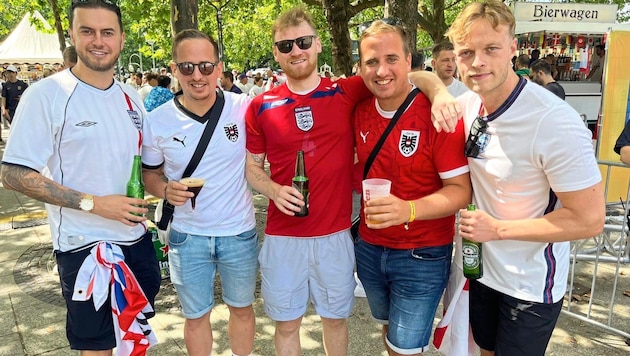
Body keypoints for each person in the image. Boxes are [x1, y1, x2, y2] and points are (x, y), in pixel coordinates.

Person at [245, 6, 460, 355]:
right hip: (283, 236)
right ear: (275, 52)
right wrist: (272, 189)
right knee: (286, 325)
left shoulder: (345, 92)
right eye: (286, 46)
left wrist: (440, 91)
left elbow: (406, 75)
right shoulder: (261, 106)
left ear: (317, 45)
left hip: (335, 235)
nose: (295, 51)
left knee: (334, 321)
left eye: (303, 41)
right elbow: (252, 167)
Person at [433, 1, 605, 355]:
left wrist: (497, 230)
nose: (478, 62)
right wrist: (435, 92)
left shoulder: (554, 120)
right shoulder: (467, 104)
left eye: (490, 49)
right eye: (467, 52)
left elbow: (589, 219)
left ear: (513, 48)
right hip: (481, 272)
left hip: (530, 285)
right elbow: (414, 77)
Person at [0, 0, 161, 354]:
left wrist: (168, 189)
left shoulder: (131, 97)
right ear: (72, 35)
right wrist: (93, 204)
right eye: (87, 31)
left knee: (134, 341)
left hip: (136, 243)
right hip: (85, 249)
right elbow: (12, 174)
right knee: (99, 348)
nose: (98, 41)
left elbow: (149, 169)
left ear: (121, 39)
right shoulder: (47, 94)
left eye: (107, 32)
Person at [354, 20, 471, 356]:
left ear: (409, 61)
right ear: (361, 68)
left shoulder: (440, 114)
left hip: (421, 253)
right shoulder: (359, 110)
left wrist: (409, 210)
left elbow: (461, 190)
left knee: (405, 347)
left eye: (392, 59)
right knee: (391, 331)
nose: (382, 70)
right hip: (370, 248)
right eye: (372, 62)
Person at [142, 29, 258, 356]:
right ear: (174, 69)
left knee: (242, 309)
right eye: (187, 67)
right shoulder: (157, 121)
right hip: (187, 236)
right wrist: (165, 190)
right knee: (195, 317)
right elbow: (150, 174)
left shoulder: (243, 107)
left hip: (238, 231)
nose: (197, 75)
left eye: (206, 66)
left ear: (219, 68)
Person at [1, 65, 29, 130]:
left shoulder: (23, 84)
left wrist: (23, 98)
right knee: (14, 127)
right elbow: (3, 97)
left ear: (16, 73)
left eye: (12, 72)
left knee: (21, 127)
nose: (10, 74)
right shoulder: (5, 85)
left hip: (21, 109)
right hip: (11, 110)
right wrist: (3, 109)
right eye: (8, 73)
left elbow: (28, 95)